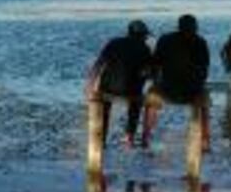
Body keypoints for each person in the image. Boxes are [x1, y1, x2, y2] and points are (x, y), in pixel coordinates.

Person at [145, 14, 211, 149]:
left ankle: (146, 137)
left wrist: (157, 81)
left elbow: (155, 64)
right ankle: (204, 141)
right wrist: (199, 83)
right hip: (192, 91)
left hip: (168, 89)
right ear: (195, 27)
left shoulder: (165, 39)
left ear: (179, 26)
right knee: (204, 103)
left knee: (150, 97)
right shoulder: (200, 41)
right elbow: (205, 69)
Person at [85, 20, 153, 148]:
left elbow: (98, 64)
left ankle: (102, 139)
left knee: (105, 108)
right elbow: (148, 72)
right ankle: (130, 137)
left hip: (107, 89)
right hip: (130, 91)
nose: (145, 38)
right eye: (145, 35)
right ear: (141, 35)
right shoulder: (144, 49)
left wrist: (90, 84)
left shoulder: (114, 42)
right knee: (136, 105)